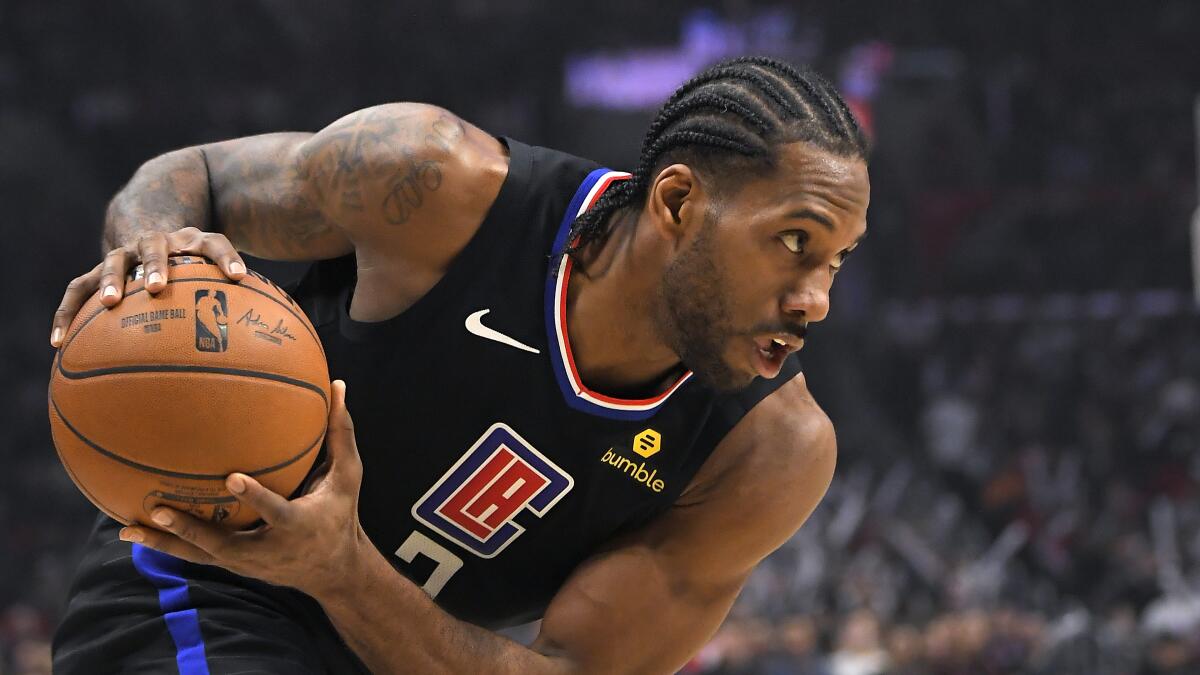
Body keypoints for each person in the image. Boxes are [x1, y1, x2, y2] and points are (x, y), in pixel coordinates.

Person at [48, 56, 869, 674]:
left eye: (836, 260)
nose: (815, 300)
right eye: (794, 242)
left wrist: (346, 573)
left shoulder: (768, 455)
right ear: (679, 203)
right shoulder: (431, 181)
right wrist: (154, 251)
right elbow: (194, 178)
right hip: (206, 579)